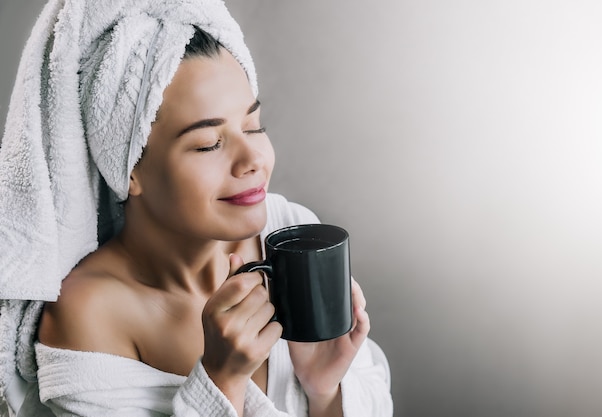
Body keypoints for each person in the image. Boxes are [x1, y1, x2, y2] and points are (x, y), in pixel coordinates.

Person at [0, 1, 392, 416]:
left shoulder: (292, 234)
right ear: (129, 169)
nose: (252, 160)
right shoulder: (89, 315)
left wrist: (325, 391)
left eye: (253, 127)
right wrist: (222, 380)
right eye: (209, 144)